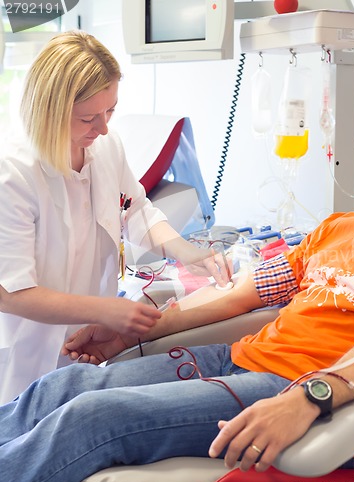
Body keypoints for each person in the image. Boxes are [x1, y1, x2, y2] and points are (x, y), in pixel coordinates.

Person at [1, 71, 354, 482]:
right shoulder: (341, 225)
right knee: (64, 386)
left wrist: (307, 398)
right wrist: (138, 332)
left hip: (292, 386)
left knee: (92, 417)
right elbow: (243, 292)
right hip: (239, 359)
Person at [0, 31, 230, 405]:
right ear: (49, 111)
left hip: (87, 344)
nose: (104, 127)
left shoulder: (105, 146)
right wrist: (109, 311)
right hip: (24, 353)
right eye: (88, 117)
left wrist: (187, 252)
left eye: (110, 111)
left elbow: (135, 209)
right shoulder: (12, 173)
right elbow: (11, 294)